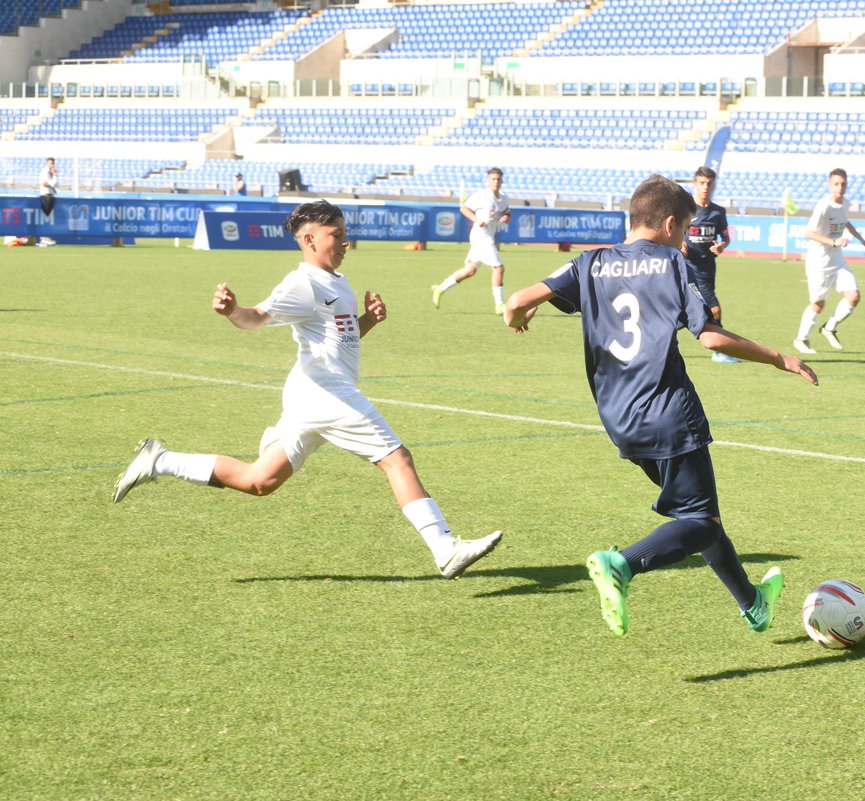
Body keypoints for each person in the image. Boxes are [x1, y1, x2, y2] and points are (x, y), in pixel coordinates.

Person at [112, 200, 502, 579]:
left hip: (309, 392)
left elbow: (340, 339)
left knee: (259, 481)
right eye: (337, 234)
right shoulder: (303, 282)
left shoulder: (338, 281)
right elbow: (256, 319)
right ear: (309, 240)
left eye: (346, 233)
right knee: (397, 459)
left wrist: (368, 320)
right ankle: (445, 549)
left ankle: (159, 460)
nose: (346, 242)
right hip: (325, 392)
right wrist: (232, 310)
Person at [503, 175, 819, 637]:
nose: (685, 238)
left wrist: (518, 315)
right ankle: (621, 566)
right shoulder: (673, 263)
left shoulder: (589, 263)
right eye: (686, 229)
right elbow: (709, 335)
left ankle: (752, 603)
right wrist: (779, 358)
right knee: (700, 522)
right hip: (667, 411)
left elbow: (516, 302)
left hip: (618, 416)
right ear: (671, 223)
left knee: (697, 514)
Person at [794, 168, 865, 353]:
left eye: (843, 184)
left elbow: (845, 222)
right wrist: (834, 242)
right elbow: (808, 233)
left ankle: (829, 328)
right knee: (818, 304)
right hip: (819, 262)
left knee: (853, 296)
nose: (840, 187)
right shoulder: (823, 206)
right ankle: (801, 339)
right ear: (829, 185)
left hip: (837, 261)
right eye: (836, 184)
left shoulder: (846, 203)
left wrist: (861, 239)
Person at [432, 167, 511, 314]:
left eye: (499, 179)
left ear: (502, 181)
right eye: (493, 179)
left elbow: (507, 212)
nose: (496, 182)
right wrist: (477, 219)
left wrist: (507, 217)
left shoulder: (504, 198)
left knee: (470, 270)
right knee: (499, 268)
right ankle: (499, 305)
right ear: (488, 181)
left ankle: (440, 288)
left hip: (488, 236)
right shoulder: (481, 195)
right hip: (481, 236)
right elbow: (464, 208)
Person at [683, 165, 738, 363]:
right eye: (702, 183)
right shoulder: (686, 209)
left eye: (709, 184)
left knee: (689, 310)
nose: (705, 187)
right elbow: (674, 229)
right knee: (714, 309)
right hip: (689, 268)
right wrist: (680, 242)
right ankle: (721, 350)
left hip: (708, 268)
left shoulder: (718, 212)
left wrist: (722, 246)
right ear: (695, 184)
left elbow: (725, 236)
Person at [37, 157, 57, 247]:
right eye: (50, 163)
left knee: (48, 216)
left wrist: (52, 181)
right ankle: (43, 238)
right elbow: (47, 183)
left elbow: (54, 184)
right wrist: (54, 177)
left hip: (50, 195)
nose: (52, 165)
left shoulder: (50, 172)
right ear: (47, 163)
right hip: (46, 195)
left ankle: (45, 237)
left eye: (53, 163)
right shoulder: (45, 172)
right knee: (46, 216)